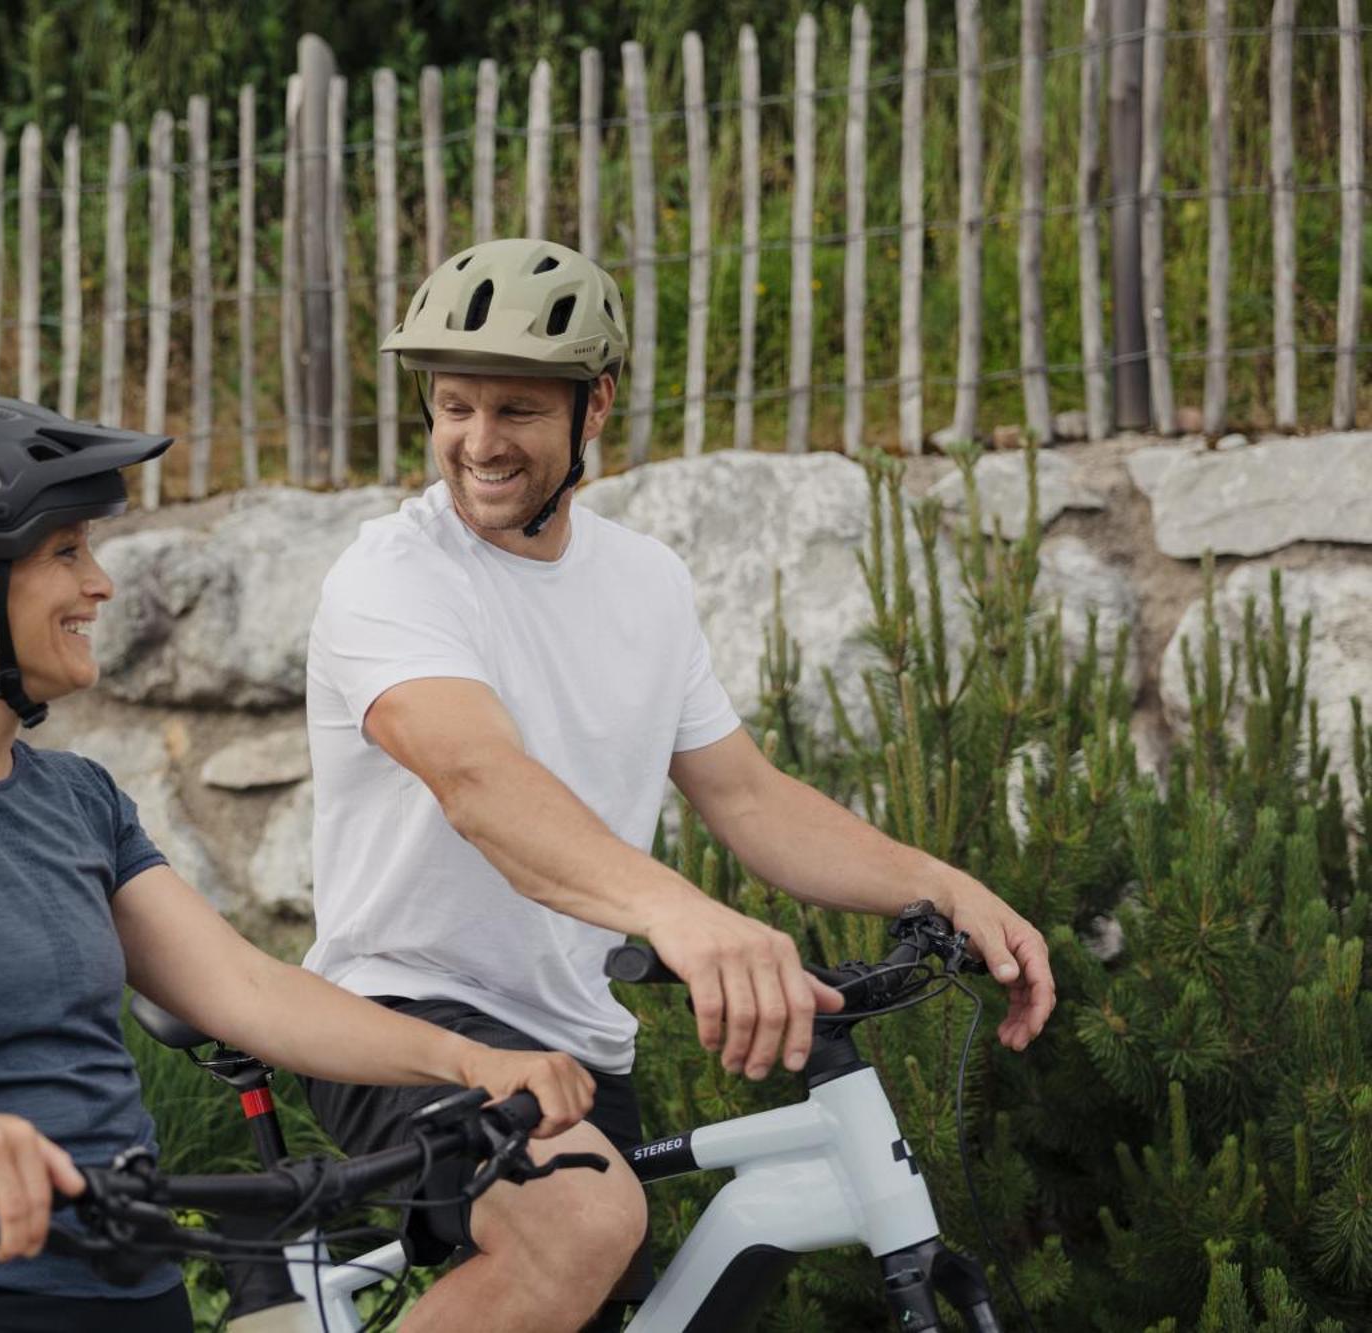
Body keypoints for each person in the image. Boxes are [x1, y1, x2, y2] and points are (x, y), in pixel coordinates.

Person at [298, 239, 1059, 1333]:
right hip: (402, 1013)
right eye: (452, 405)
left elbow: (745, 796)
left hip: (578, 1039)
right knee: (576, 1225)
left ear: (592, 405)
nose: (475, 441)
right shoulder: (390, 575)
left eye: (514, 409)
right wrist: (683, 916)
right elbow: (478, 780)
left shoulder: (643, 581)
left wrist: (936, 884)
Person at [0, 395, 594, 1333]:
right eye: (66, 551)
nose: (99, 584)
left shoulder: (80, 799)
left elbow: (247, 989)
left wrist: (470, 1060)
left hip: (127, 1281)